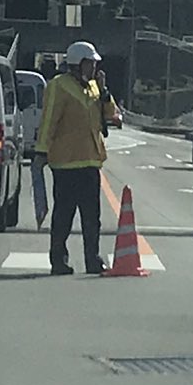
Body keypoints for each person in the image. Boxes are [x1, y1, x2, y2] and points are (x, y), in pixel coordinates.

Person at [38, 40, 122, 276]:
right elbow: (48, 121)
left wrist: (105, 92)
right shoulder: (59, 86)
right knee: (64, 215)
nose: (94, 68)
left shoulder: (94, 88)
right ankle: (58, 260)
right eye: (90, 64)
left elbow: (111, 115)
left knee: (92, 217)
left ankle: (92, 259)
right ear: (77, 64)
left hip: (90, 161)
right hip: (65, 163)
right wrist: (41, 151)